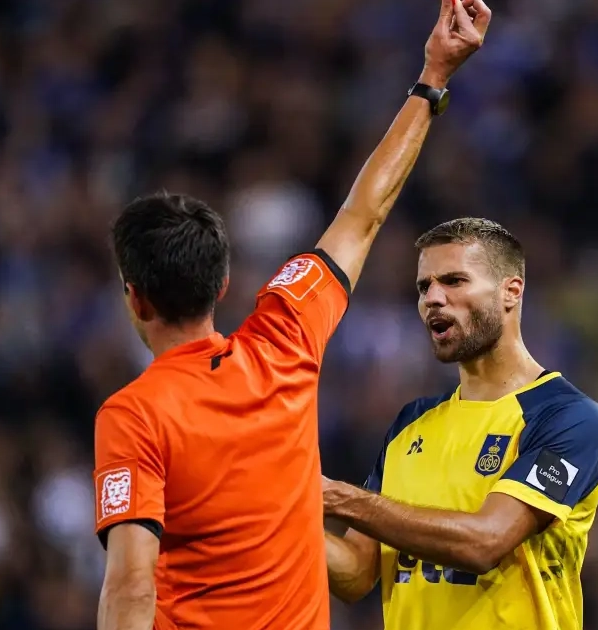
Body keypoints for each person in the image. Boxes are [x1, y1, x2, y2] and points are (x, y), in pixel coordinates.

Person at [91, 1, 492, 628]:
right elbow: (364, 214)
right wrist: (432, 78)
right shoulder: (284, 339)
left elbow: (131, 588)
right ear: (223, 285)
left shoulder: (133, 416)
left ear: (134, 298)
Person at [322, 218, 598, 629]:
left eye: (454, 281)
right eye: (424, 286)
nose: (433, 298)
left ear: (511, 291)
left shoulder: (567, 417)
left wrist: (337, 498)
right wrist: (280, 506)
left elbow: (486, 541)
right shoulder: (411, 423)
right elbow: (355, 572)